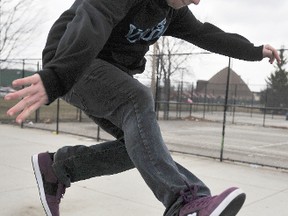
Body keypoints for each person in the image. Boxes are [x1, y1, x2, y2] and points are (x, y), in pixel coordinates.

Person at [5, 0, 280, 215]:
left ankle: (57, 169)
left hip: (106, 72)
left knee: (139, 146)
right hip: (71, 60)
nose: (195, 3)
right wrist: (57, 76)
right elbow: (94, 17)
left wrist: (254, 51)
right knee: (137, 98)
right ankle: (185, 202)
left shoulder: (173, 12)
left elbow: (206, 34)